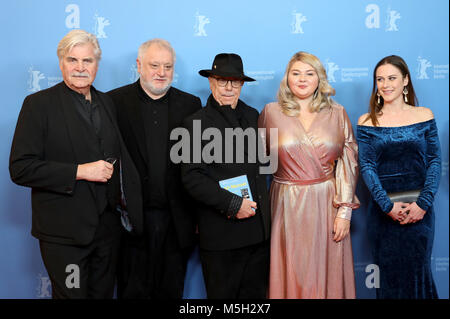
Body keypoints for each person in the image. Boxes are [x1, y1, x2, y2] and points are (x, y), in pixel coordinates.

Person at [9, 29, 142, 299]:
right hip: (65, 235)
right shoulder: (38, 105)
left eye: (87, 61)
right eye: (73, 60)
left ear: (97, 64)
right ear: (61, 63)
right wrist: (80, 171)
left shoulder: (107, 102)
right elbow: (20, 168)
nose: (80, 68)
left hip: (107, 231)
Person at [259, 51, 359, 299]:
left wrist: (344, 211)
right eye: (296, 73)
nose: (302, 79)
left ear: (319, 78)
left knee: (326, 270)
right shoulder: (270, 112)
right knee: (291, 269)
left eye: (309, 73)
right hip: (285, 204)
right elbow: (260, 165)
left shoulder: (337, 113)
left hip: (327, 204)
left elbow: (349, 162)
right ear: (287, 78)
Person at [107, 39, 202, 299]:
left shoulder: (191, 105)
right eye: (154, 65)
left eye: (168, 66)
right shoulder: (114, 102)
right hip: (130, 221)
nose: (161, 73)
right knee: (131, 292)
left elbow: (199, 166)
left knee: (172, 291)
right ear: (139, 66)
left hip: (177, 221)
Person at [180, 53, 271, 299]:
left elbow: (264, 166)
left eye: (235, 81)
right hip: (222, 237)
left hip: (259, 237)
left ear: (242, 84)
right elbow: (192, 177)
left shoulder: (254, 115)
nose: (229, 87)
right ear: (211, 82)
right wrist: (233, 204)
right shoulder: (195, 123)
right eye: (222, 81)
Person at [357, 55, 441, 299]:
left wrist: (422, 204)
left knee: (419, 275)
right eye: (380, 79)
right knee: (389, 280)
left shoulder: (424, 115)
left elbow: (435, 162)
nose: (385, 84)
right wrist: (387, 206)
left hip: (420, 213)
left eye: (392, 78)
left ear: (405, 80)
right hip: (384, 215)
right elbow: (367, 167)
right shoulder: (366, 120)